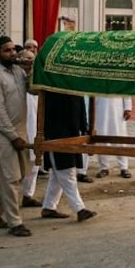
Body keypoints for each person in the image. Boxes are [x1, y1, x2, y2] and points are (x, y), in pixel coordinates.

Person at [0, 36, 32, 237]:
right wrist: (12, 136)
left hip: (19, 131)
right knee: (10, 179)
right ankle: (15, 222)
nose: (12, 53)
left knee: (16, 177)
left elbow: (33, 91)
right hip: (2, 135)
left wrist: (33, 69)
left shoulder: (18, 71)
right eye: (7, 50)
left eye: (13, 49)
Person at [39, 92, 97, 222]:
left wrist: (85, 129)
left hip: (71, 135)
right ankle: (79, 209)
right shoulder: (53, 91)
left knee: (58, 174)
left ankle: (49, 207)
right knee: (67, 173)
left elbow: (81, 110)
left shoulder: (74, 89)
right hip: (57, 136)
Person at [19, 49, 44, 207]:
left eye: (32, 59)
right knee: (18, 165)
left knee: (35, 163)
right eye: (26, 59)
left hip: (35, 126)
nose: (29, 62)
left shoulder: (37, 80)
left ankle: (28, 195)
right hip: (19, 127)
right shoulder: (14, 77)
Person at [94, 96, 133, 178]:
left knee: (120, 140)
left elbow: (126, 90)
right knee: (101, 139)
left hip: (118, 111)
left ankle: (124, 168)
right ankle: (104, 168)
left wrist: (128, 108)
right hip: (100, 110)